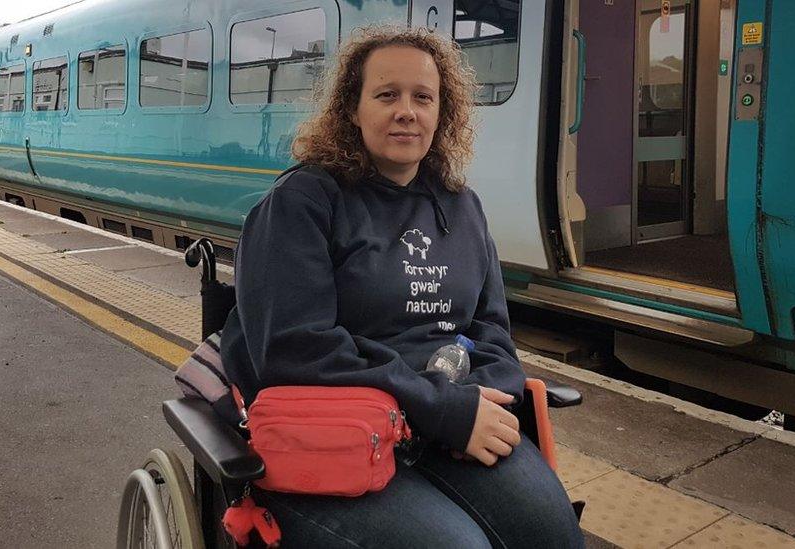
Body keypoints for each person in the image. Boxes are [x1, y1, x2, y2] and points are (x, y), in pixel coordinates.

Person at [219, 25, 584, 548]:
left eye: (423, 97)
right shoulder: (303, 204)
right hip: (338, 436)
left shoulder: (461, 206)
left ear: (443, 112)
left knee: (553, 534)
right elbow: (295, 349)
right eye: (387, 95)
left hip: (448, 422)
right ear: (352, 108)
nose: (406, 111)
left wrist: (483, 401)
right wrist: (440, 410)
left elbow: (493, 329)